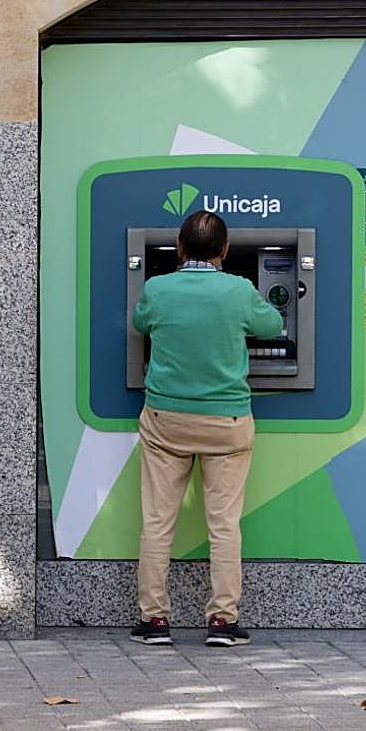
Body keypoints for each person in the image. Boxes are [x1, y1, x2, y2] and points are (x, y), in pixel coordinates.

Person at [128, 210, 282, 648]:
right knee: (224, 525)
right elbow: (274, 324)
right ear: (225, 250)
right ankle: (221, 623)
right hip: (226, 424)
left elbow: (141, 323)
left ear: (178, 248)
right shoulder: (239, 289)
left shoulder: (157, 288)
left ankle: (155, 621)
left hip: (166, 422)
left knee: (158, 523)